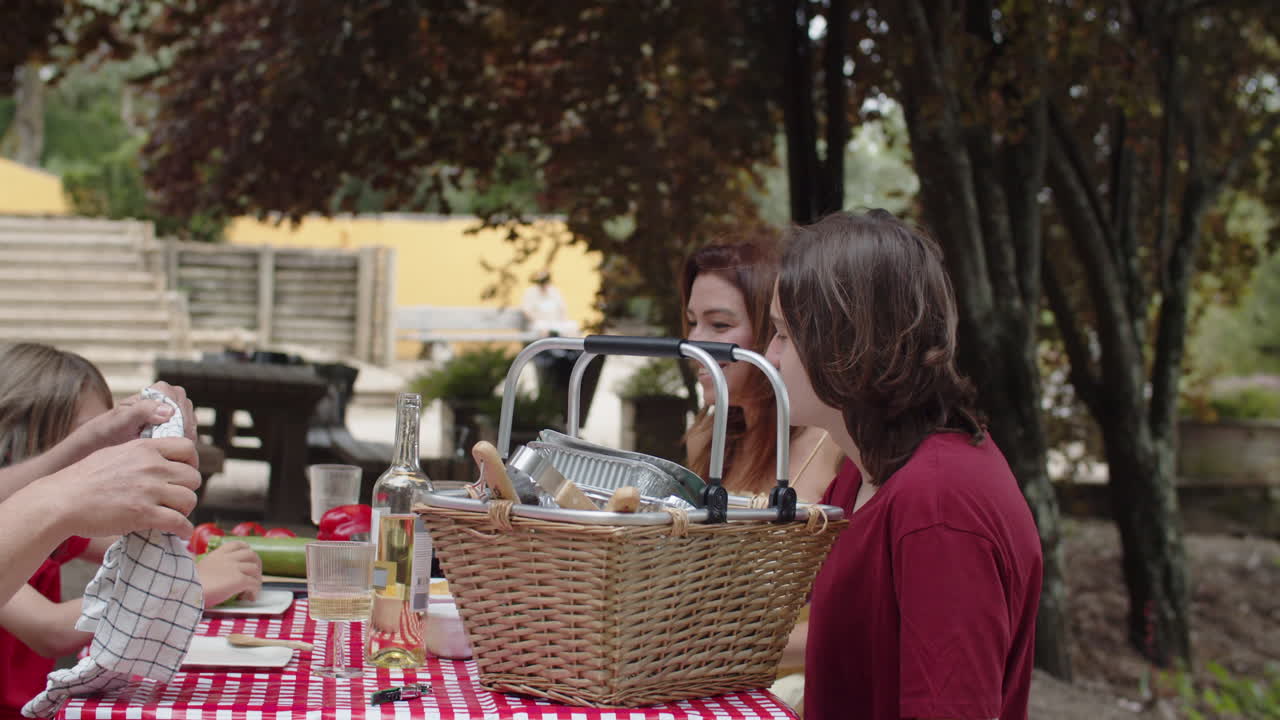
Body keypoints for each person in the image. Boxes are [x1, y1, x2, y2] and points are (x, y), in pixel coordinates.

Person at [765, 210, 1043, 720]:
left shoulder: (939, 508)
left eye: (784, 334)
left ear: (845, 342)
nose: (770, 355)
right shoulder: (863, 471)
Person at [0, 344, 262, 720]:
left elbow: (145, 538)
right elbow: (50, 630)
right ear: (21, 441)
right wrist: (189, 587)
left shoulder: (52, 520)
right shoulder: (19, 527)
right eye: (83, 434)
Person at [682, 241, 843, 500]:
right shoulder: (705, 440)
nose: (693, 341)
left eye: (719, 324)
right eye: (692, 322)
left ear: (775, 330)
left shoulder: (833, 447)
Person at [520, 270, 578, 338]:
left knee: (572, 326)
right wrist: (536, 321)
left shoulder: (554, 291)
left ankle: (567, 344)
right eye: (541, 282)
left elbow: (562, 308)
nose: (544, 284)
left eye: (545, 281)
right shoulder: (530, 292)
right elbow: (526, 311)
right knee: (543, 329)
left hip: (556, 322)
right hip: (538, 323)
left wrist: (563, 321)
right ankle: (547, 344)